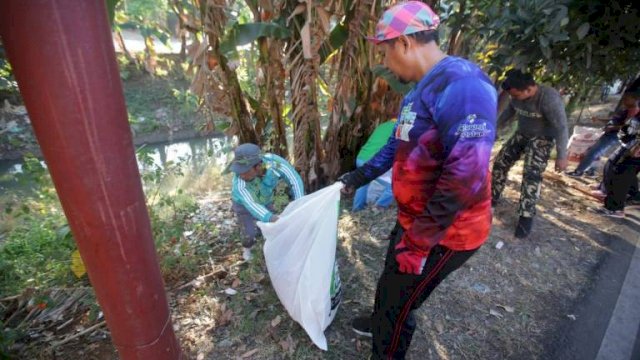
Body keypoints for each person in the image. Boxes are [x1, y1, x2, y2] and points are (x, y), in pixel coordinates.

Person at [339, 2, 497, 358]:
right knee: (392, 282)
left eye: (384, 50)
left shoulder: (464, 85)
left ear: (405, 43)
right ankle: (384, 312)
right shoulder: (417, 92)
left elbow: (466, 174)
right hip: (416, 222)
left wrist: (420, 242)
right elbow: (398, 143)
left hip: (446, 233)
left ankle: (387, 327)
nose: (384, 60)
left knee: (398, 307)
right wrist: (356, 177)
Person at [491, 69, 569, 238]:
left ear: (529, 89)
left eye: (516, 95)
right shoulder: (515, 95)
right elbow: (507, 115)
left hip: (542, 138)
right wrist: (493, 132)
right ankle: (492, 198)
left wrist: (562, 155)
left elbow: (561, 127)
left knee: (531, 175)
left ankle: (525, 218)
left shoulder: (548, 98)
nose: (514, 98)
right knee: (500, 163)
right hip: (522, 133)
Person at [228, 143, 304, 261]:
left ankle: (267, 245)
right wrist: (273, 218)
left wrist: (300, 205)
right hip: (243, 205)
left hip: (266, 199)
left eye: (244, 171)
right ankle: (247, 249)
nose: (240, 174)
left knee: (268, 227)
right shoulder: (239, 184)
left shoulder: (275, 164)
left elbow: (294, 179)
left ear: (258, 166)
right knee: (249, 233)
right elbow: (252, 205)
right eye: (239, 170)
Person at [566, 92, 639, 177]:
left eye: (627, 98)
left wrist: (611, 128)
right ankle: (591, 171)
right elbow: (613, 120)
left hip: (614, 135)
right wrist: (599, 119)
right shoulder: (626, 109)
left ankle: (579, 171)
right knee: (597, 151)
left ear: (634, 99)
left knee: (594, 151)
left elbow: (626, 126)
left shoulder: (633, 111)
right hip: (610, 133)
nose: (624, 100)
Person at [590, 111, 640, 218]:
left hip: (634, 148)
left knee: (621, 174)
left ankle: (615, 209)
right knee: (614, 168)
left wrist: (638, 147)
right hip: (628, 144)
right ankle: (631, 196)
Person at [353, 119, 396, 212]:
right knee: (393, 186)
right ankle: (378, 208)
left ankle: (356, 210)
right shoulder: (400, 128)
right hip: (373, 161)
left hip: (361, 157)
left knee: (363, 184)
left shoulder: (383, 125)